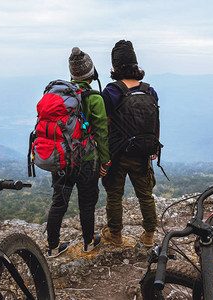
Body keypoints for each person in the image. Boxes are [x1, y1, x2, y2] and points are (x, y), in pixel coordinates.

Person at [46, 47, 111, 257]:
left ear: (72, 74)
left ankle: (53, 247)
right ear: (92, 73)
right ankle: (89, 242)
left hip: (62, 158)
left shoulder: (60, 96)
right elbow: (102, 132)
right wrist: (105, 161)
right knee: (87, 203)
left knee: (59, 202)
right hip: (87, 161)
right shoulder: (95, 98)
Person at [101, 40, 159, 248]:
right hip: (143, 152)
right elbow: (154, 119)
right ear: (135, 65)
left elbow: (104, 124)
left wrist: (103, 154)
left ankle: (115, 233)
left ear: (115, 67)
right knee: (145, 194)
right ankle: (149, 235)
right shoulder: (149, 91)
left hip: (118, 153)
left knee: (114, 194)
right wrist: (154, 146)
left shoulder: (111, 92)